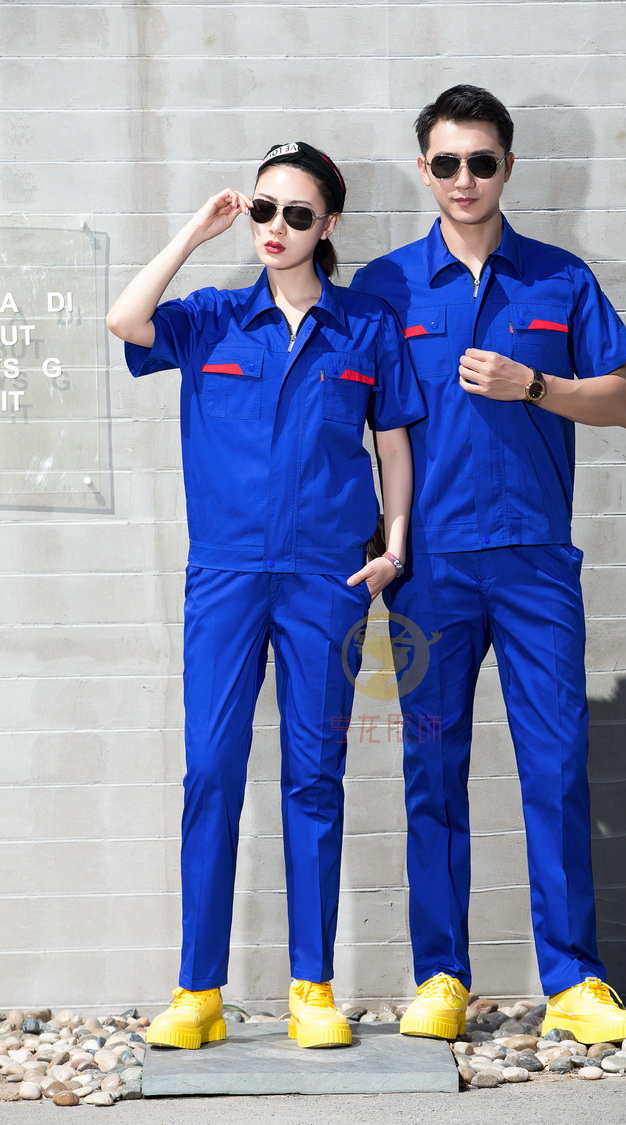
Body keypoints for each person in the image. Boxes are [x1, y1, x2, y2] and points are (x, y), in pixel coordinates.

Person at [107, 142, 425, 1050]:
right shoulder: (211, 318)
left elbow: (392, 440)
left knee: (314, 776)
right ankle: (197, 990)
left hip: (326, 580)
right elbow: (125, 319)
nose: (275, 227)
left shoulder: (364, 325)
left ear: (328, 225)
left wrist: (395, 545)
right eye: (261, 209)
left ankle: (311, 987)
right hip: (226, 576)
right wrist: (193, 234)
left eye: (296, 213)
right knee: (211, 770)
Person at [351, 86, 626, 1045]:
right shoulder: (386, 288)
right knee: (432, 768)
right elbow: (351, 417)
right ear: (424, 170)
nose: (465, 178)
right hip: (429, 571)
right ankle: (441, 975)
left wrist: (537, 384)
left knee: (556, 766)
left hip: (534, 568)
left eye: (482, 161)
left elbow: (625, 402)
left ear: (509, 167)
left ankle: (575, 980)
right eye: (447, 162)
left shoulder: (560, 279)